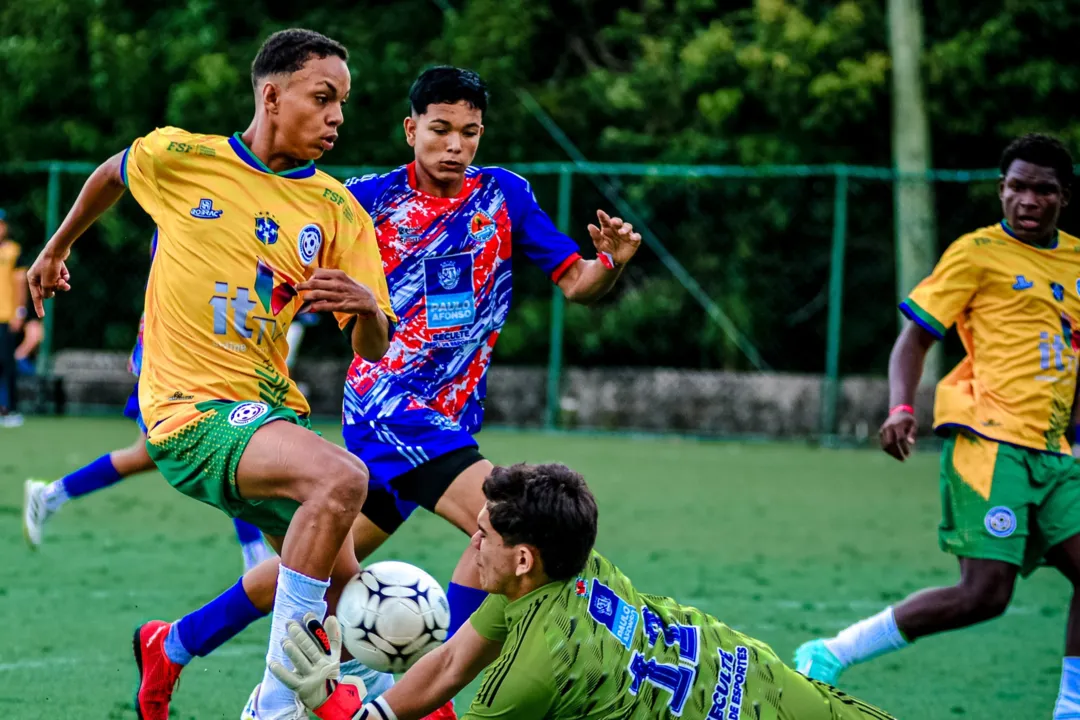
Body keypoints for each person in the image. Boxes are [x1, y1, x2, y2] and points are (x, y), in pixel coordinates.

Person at [130, 65, 640, 720]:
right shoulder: (362, 199)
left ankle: (173, 643)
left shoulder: (506, 197)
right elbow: (264, 231)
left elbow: (577, 284)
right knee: (502, 521)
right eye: (440, 129)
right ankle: (436, 701)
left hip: (450, 420)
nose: (454, 144)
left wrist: (612, 265)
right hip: (388, 406)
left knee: (318, 559)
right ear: (411, 129)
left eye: (470, 132)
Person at [26, 28, 395, 720]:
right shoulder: (182, 157)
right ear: (271, 94)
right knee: (343, 478)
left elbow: (373, 348)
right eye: (323, 98)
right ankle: (277, 702)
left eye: (342, 103)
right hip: (187, 412)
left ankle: (171, 649)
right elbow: (112, 172)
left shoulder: (338, 210)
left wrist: (369, 308)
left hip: (269, 416)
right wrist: (54, 250)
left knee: (358, 598)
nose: (337, 117)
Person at [794, 133, 1080, 719]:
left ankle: (1070, 709)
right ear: (1001, 191)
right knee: (983, 596)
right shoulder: (975, 253)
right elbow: (916, 337)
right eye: (1017, 187)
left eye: (1043, 189)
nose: (1028, 199)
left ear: (1064, 197)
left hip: (1057, 454)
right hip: (991, 444)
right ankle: (831, 651)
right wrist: (902, 408)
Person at [268, 462, 897, 719]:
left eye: (481, 535)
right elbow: (452, 662)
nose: (472, 543)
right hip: (773, 685)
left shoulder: (531, 673)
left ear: (521, 558)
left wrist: (333, 706)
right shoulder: (571, 565)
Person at [22, 285, 274, 570]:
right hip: (178, 356)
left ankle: (51, 495)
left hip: (197, 351)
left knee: (146, 455)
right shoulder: (185, 248)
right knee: (229, 445)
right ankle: (254, 555)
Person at [0, 208, 29, 427]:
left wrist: (20, 312)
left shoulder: (14, 251)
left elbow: (20, 282)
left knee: (6, 364)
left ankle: (10, 409)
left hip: (5, 317)